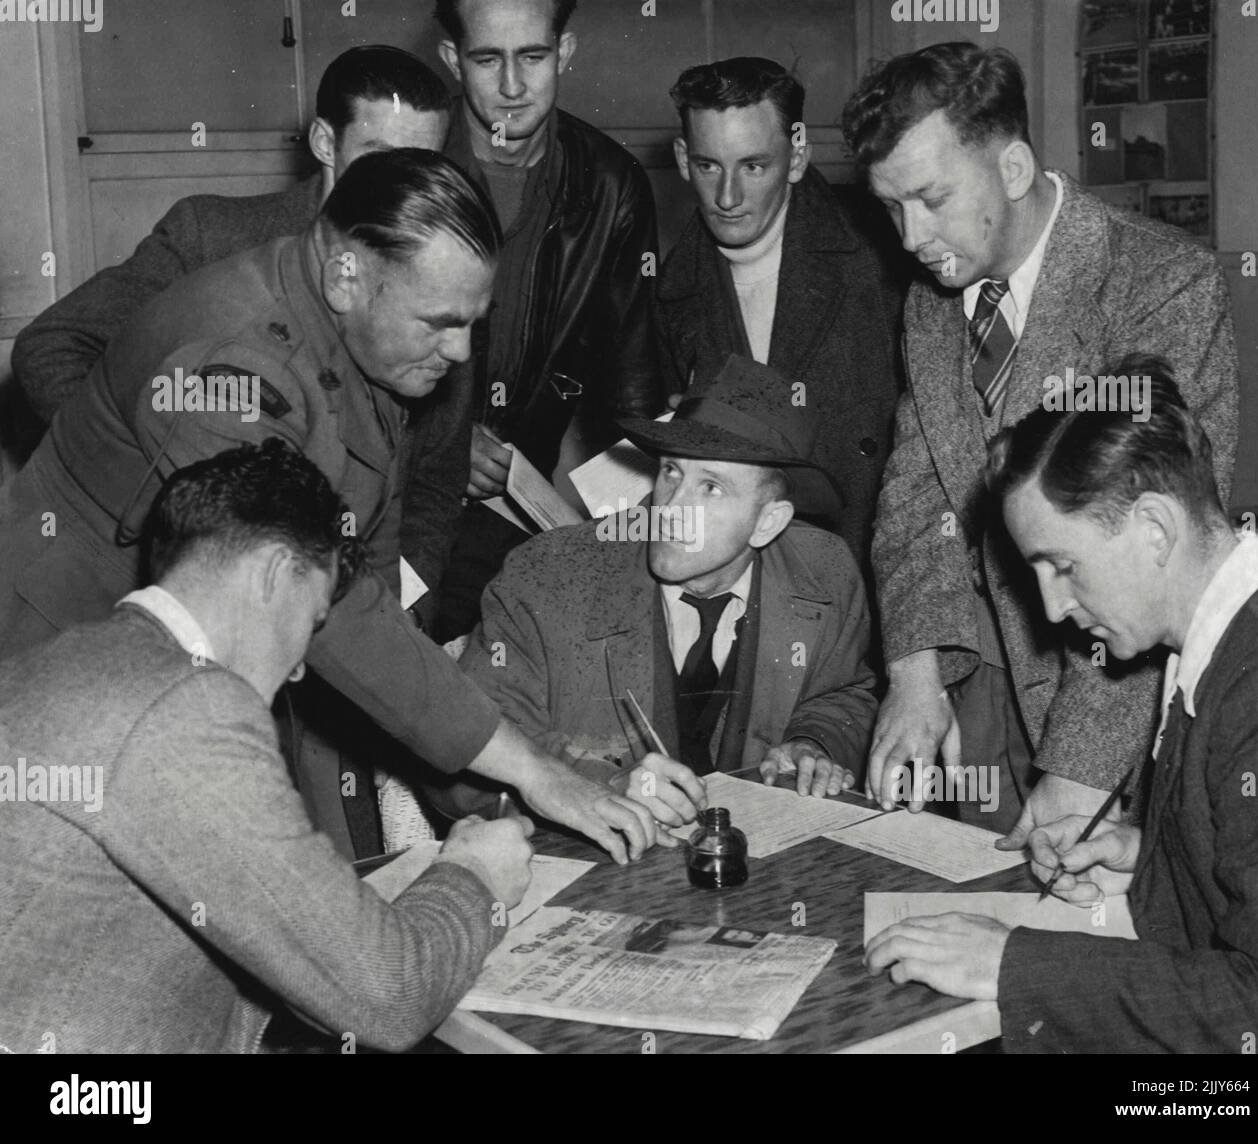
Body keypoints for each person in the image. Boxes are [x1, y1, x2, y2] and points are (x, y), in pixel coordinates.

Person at [0, 148, 658, 867]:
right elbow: (327, 607)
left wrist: (522, 771)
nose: (463, 351)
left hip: (227, 648)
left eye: (473, 321)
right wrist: (533, 771)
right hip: (76, 658)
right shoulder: (236, 371)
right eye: (440, 322)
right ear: (346, 273)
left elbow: (367, 561)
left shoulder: (360, 325)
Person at [0, 441, 534, 1054]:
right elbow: (389, 999)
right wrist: (474, 877)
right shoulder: (185, 703)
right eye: (311, 623)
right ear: (276, 574)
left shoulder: (56, 664)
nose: (302, 669)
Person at [841, 41, 1238, 835]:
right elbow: (919, 497)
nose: (912, 237)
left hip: (1116, 693)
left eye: (931, 198)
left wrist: (1078, 770)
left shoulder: (1162, 286)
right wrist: (915, 672)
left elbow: (1153, 561)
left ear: (1014, 169)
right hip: (983, 672)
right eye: (892, 208)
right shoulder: (935, 296)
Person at [865, 359, 1258, 1054]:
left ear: (1155, 529)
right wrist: (1161, 866)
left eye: (1063, 566)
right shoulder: (1226, 638)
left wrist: (1014, 965)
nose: (1052, 608)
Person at [448, 355, 877, 826]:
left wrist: (813, 742)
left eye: (710, 487)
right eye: (672, 472)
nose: (671, 507)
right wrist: (600, 784)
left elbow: (841, 693)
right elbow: (462, 742)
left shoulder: (825, 571)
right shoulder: (549, 576)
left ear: (768, 522)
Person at [14, 45, 451, 425]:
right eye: (379, 160)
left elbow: (432, 473)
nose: (402, 187)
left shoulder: (449, 267)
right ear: (323, 143)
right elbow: (53, 345)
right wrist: (140, 470)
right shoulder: (212, 235)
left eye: (422, 165)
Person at [409, 0, 665, 640]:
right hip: (400, 489)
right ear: (451, 61)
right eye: (487, 59)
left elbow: (635, 390)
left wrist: (626, 543)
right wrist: (438, 444)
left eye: (533, 57)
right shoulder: (409, 162)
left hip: (514, 506)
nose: (513, 87)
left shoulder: (612, 183)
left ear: (566, 52)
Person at [656, 56, 904, 572]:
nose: (727, 197)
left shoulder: (886, 254)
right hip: (747, 585)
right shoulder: (667, 291)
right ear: (683, 159)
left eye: (753, 166)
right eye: (708, 165)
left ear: (796, 158)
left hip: (875, 569)